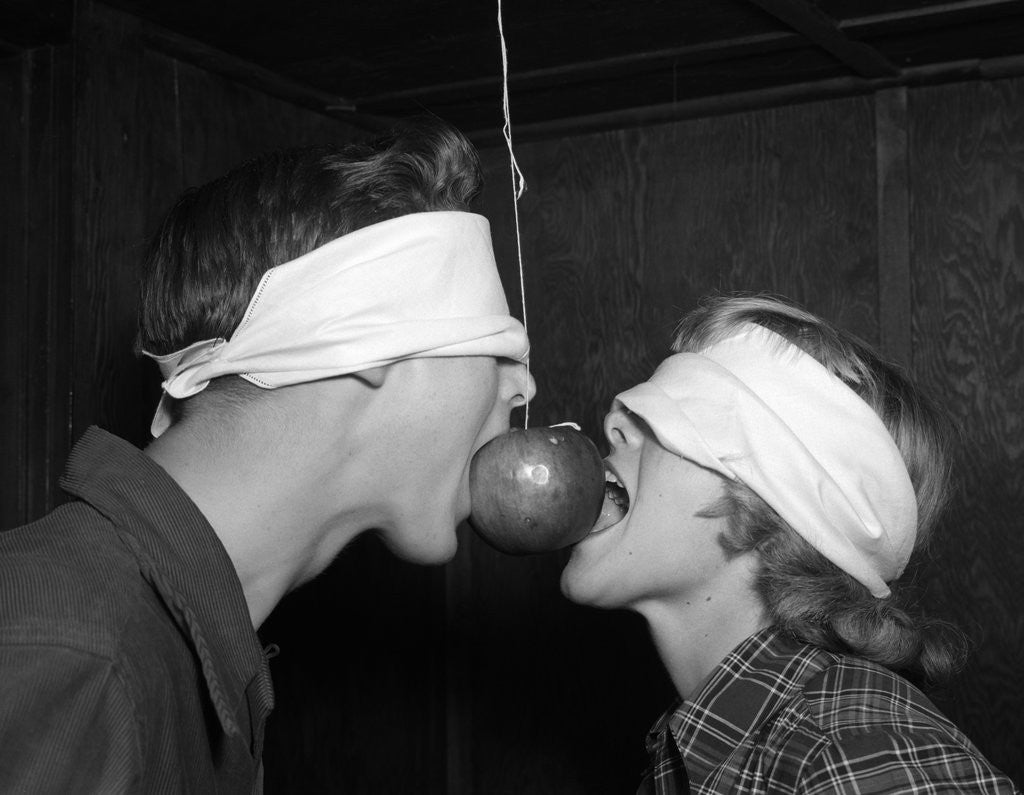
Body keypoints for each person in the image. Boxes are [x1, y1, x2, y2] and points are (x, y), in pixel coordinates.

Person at [0, 117, 535, 792]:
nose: (522, 385)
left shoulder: (171, 647)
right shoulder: (70, 658)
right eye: (497, 350)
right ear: (362, 345)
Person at [562, 294, 1019, 794]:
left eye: (672, 413)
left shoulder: (858, 754)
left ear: (780, 498)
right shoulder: (702, 752)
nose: (615, 420)